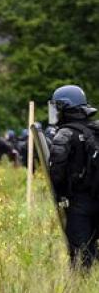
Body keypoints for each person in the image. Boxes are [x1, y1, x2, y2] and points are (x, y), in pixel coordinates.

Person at [48, 85, 99, 269]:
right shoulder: (96, 130)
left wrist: (61, 195)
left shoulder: (65, 134)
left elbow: (56, 173)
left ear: (64, 107)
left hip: (79, 203)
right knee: (93, 249)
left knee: (80, 256)